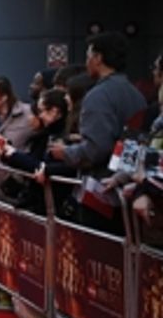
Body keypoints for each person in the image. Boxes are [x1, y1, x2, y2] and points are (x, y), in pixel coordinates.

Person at [50, 31, 148, 233]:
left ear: (98, 58)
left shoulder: (98, 96)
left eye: (88, 56)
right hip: (128, 190)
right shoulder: (137, 95)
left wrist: (65, 152)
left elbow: (96, 149)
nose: (86, 63)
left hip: (101, 193)